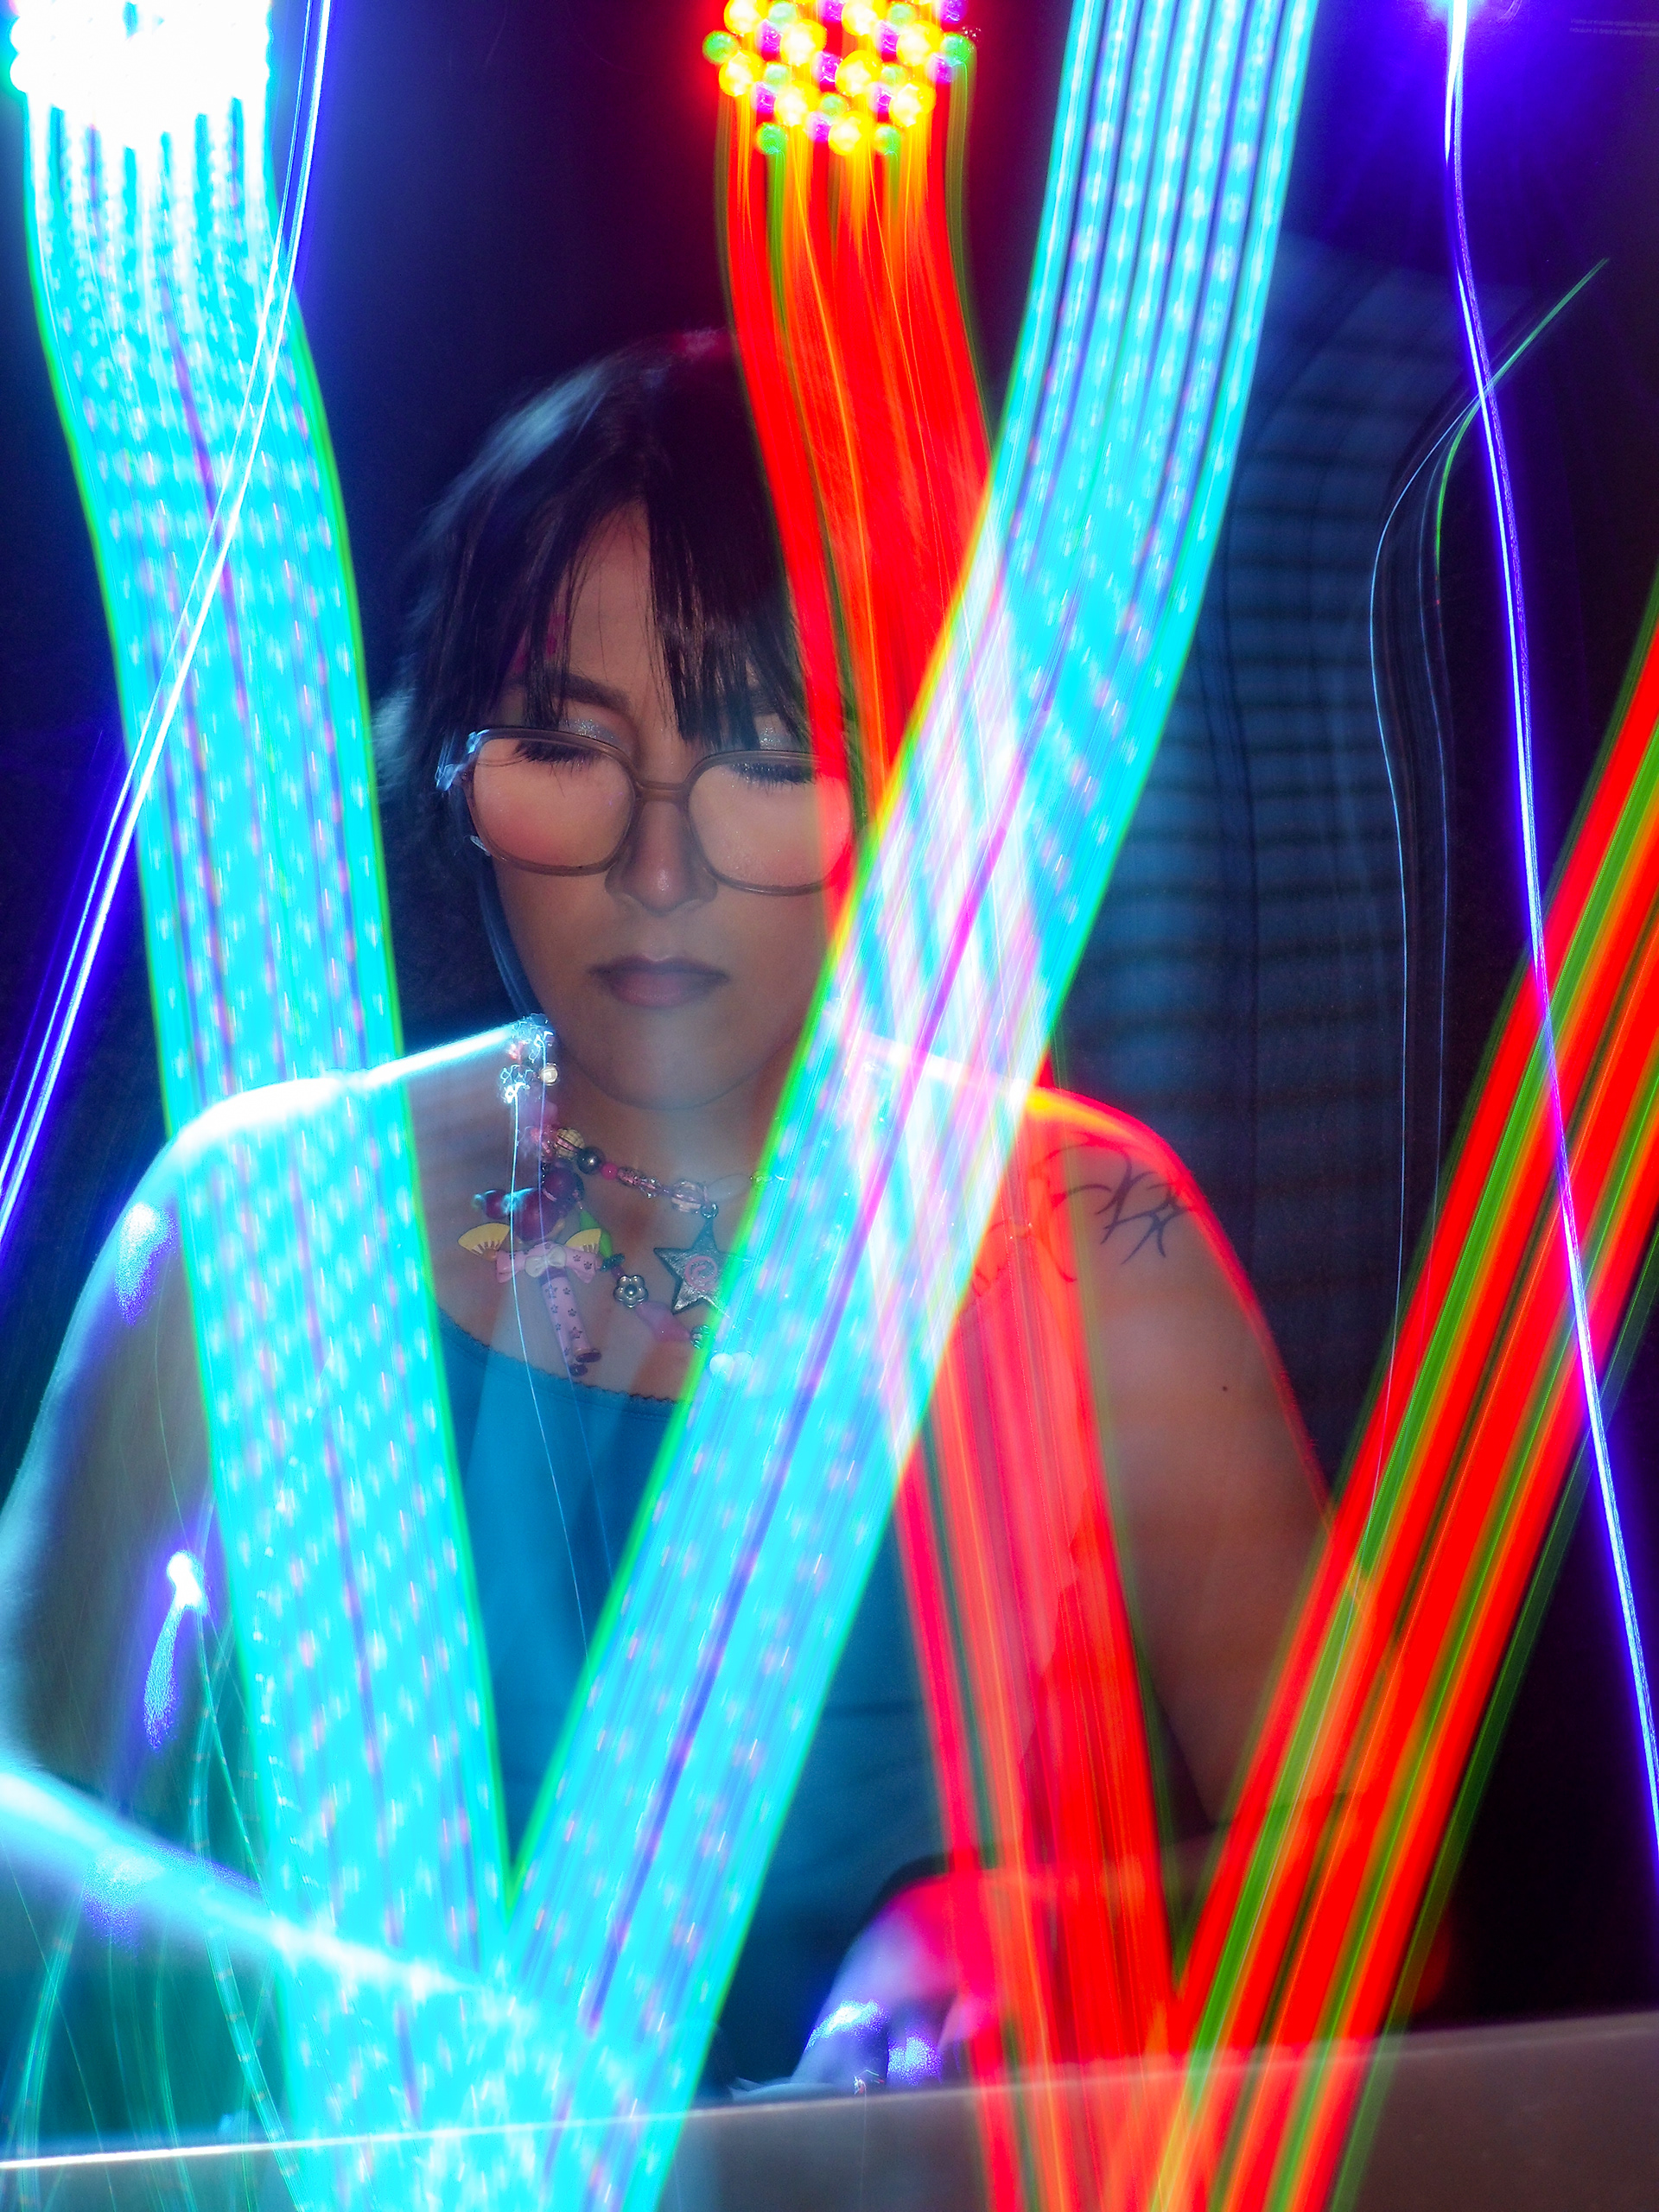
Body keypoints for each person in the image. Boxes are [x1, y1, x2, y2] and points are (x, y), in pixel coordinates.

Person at [0, 334, 1324, 2109]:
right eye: (566, 747)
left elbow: (1364, 1863)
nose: (657, 864)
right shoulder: (261, 1221)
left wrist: (1024, 1931)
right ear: (456, 773)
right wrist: (339, 2004)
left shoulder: (1086, 1237)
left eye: (767, 756)